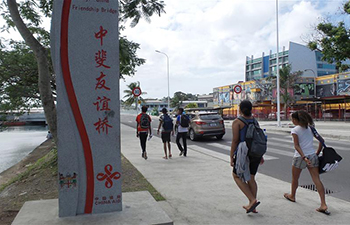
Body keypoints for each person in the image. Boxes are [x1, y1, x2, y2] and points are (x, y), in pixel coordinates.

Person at [284, 111, 330, 215]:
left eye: (292, 119)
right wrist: (317, 153)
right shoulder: (311, 128)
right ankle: (323, 204)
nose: (292, 121)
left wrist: (304, 157)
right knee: (316, 179)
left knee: (295, 178)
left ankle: (292, 196)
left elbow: (297, 146)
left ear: (296, 120)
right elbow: (322, 140)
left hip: (300, 157)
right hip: (312, 156)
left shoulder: (295, 130)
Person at [230, 100, 264, 213]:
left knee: (236, 176)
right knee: (251, 178)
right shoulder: (254, 121)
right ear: (251, 109)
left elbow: (235, 141)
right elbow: (259, 138)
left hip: (244, 152)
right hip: (256, 153)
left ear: (240, 109)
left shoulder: (237, 122)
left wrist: (231, 156)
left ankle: (252, 200)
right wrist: (261, 155)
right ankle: (252, 205)